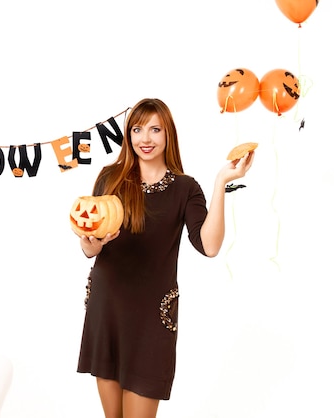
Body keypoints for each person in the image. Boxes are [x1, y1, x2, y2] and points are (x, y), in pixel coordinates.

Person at [75, 98, 254, 418]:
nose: (146, 138)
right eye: (138, 129)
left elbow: (209, 246)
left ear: (168, 134)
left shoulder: (185, 188)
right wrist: (94, 243)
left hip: (151, 319)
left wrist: (220, 182)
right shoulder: (110, 177)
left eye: (155, 129)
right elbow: (90, 248)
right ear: (128, 136)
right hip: (108, 308)